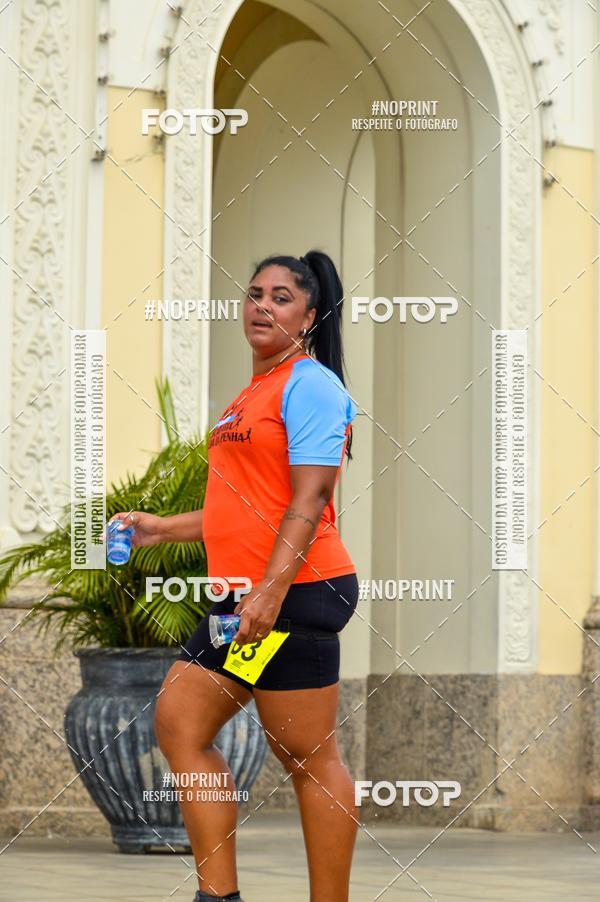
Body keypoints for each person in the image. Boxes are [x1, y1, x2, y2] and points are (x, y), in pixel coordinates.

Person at [111, 251, 359, 902]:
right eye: (254, 294)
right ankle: (216, 896)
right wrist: (162, 527)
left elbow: (308, 499)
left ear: (308, 316)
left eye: (281, 297)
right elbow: (239, 507)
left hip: (297, 592)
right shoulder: (249, 395)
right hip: (242, 594)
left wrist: (270, 593)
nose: (262, 306)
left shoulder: (311, 385)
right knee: (182, 725)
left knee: (307, 757)